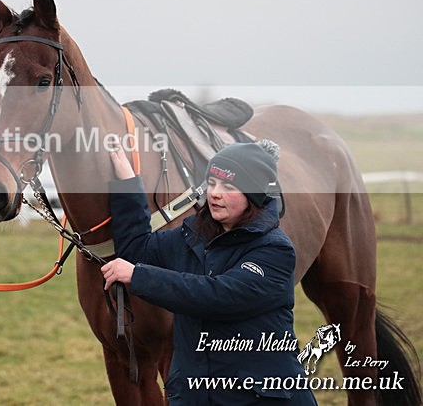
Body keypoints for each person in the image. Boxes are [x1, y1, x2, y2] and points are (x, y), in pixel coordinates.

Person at [101, 139, 317, 405]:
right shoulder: (192, 237)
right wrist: (128, 184)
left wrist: (139, 276)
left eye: (228, 186)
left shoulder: (275, 250)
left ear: (254, 195)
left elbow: (218, 297)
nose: (215, 193)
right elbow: (137, 249)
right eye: (212, 184)